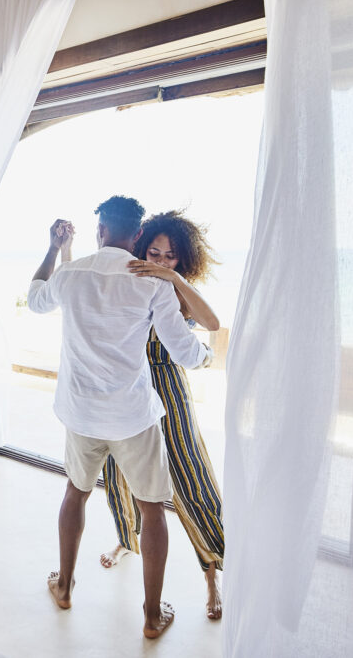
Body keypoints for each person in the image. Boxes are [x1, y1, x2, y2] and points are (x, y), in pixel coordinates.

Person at [28, 196, 212, 640]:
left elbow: (35, 299)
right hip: (131, 417)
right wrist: (206, 357)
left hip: (81, 413)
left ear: (100, 231)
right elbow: (183, 349)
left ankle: (66, 587)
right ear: (137, 237)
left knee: (76, 493)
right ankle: (151, 617)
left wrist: (53, 250)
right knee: (152, 511)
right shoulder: (151, 283)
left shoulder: (71, 273)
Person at [87, 210, 227, 621]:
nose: (161, 261)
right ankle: (127, 540)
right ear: (139, 246)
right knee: (119, 472)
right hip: (127, 387)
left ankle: (211, 568)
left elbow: (213, 323)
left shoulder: (176, 287)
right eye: (154, 252)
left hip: (168, 384)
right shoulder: (129, 279)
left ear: (183, 259)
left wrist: (173, 279)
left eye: (171, 256)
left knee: (189, 471)